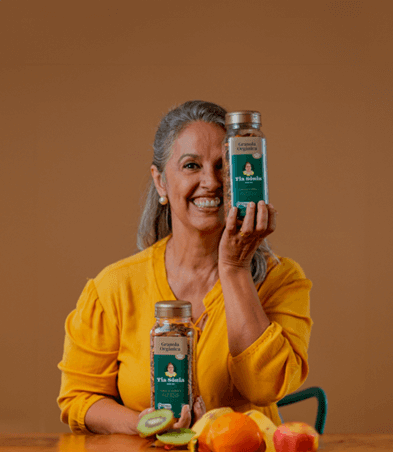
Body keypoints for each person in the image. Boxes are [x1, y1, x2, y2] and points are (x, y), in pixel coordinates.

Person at [57, 100, 312, 435]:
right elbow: (79, 398)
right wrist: (146, 424)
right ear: (161, 182)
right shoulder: (114, 287)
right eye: (192, 166)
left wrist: (234, 269)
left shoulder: (281, 279)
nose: (210, 181)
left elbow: (264, 388)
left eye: (224, 166)